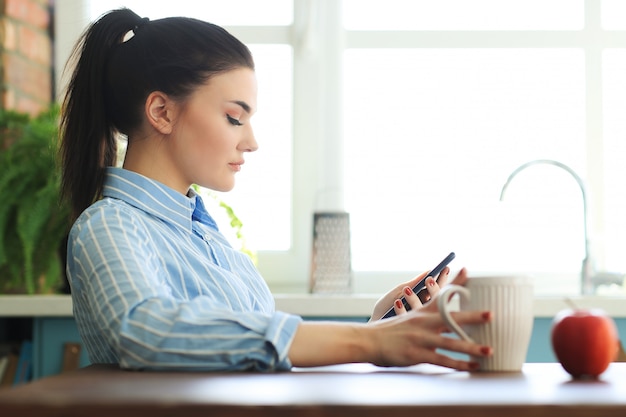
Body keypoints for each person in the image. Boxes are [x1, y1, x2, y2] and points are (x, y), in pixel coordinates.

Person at [59, 8, 493, 372]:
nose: (251, 141)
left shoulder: (209, 242)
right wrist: (368, 344)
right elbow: (146, 331)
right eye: (234, 117)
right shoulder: (110, 226)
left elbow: (262, 353)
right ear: (161, 111)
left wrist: (377, 329)